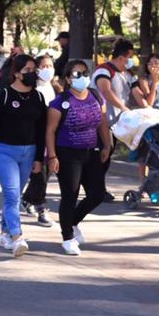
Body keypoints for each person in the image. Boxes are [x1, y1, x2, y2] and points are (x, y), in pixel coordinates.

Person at [0, 54, 47, 256]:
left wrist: (39, 158)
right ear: (17, 73)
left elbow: (41, 130)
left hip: (28, 152)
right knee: (12, 196)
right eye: (27, 70)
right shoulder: (3, 95)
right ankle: (17, 237)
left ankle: (4, 232)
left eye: (33, 70)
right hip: (4, 151)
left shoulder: (38, 97)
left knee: (15, 196)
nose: (32, 74)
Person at [46, 59, 113, 255]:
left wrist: (107, 144)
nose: (81, 77)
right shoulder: (60, 102)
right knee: (70, 194)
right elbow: (50, 131)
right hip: (67, 153)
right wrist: (52, 156)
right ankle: (67, 236)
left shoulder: (95, 96)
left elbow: (102, 122)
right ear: (67, 78)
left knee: (97, 194)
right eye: (76, 74)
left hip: (91, 151)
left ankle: (73, 221)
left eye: (84, 73)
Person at [20, 54, 58, 226]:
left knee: (46, 174)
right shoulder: (33, 89)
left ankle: (27, 199)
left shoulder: (55, 88)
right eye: (44, 66)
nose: (48, 69)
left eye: (50, 66)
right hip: (36, 139)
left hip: (53, 138)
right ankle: (42, 209)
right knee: (39, 175)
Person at [93, 38, 136, 122]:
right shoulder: (103, 70)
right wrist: (122, 107)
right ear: (120, 58)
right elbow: (106, 91)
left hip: (121, 120)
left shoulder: (129, 74)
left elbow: (137, 92)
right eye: (130, 57)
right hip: (104, 120)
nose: (132, 60)